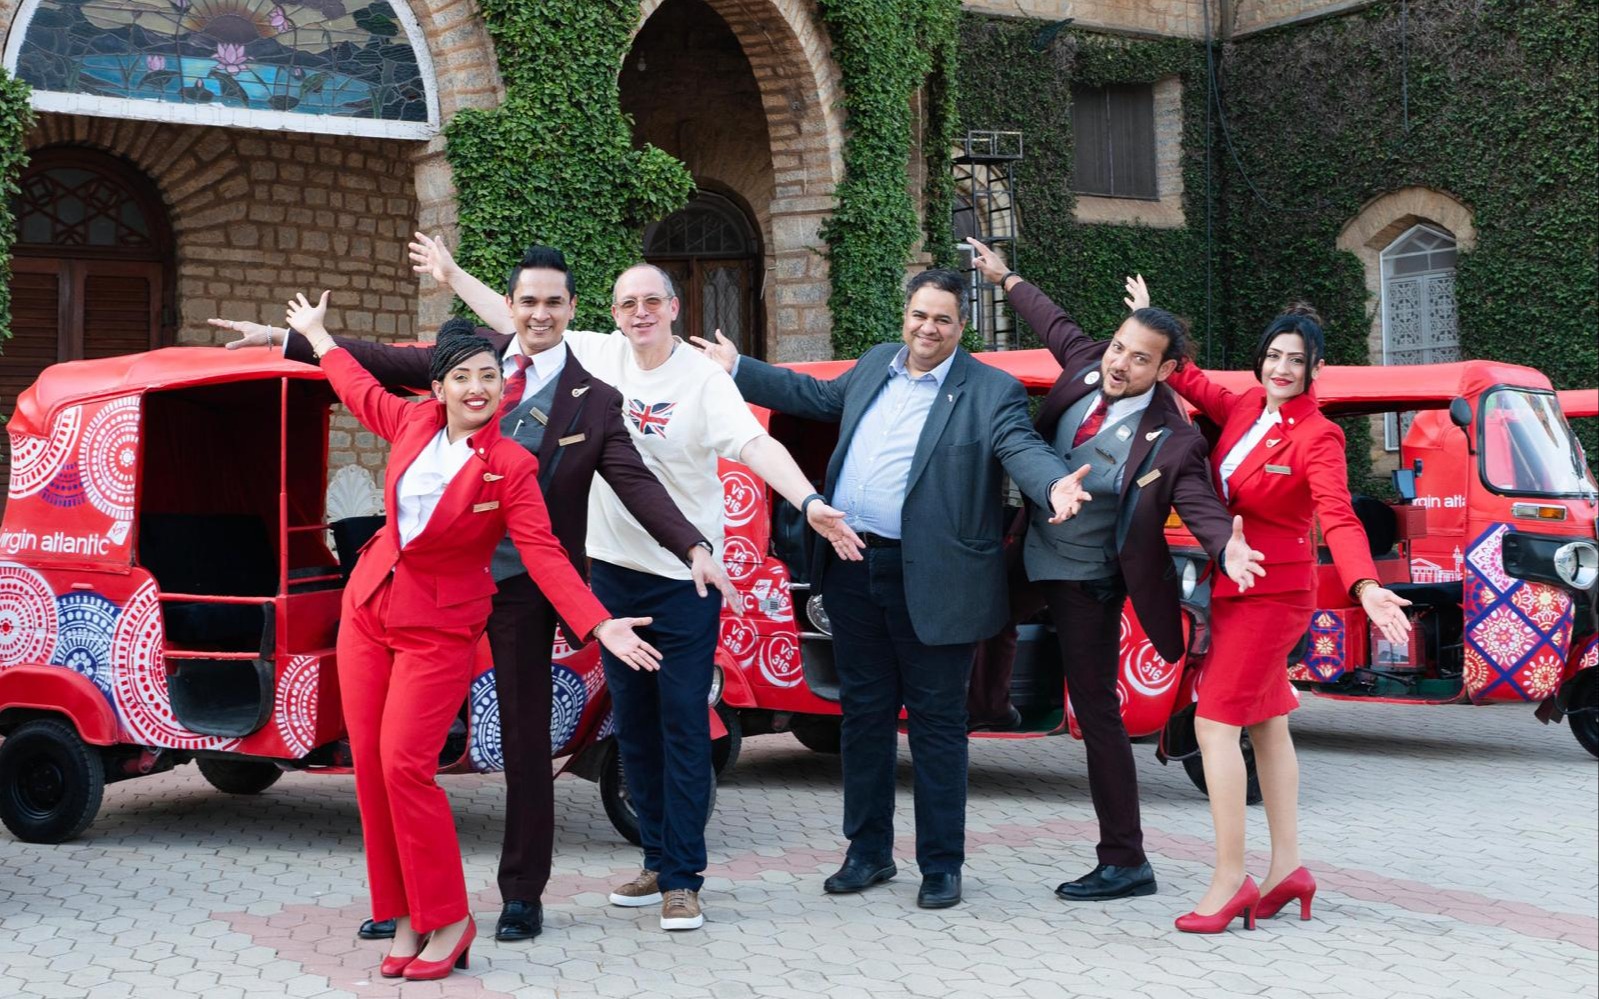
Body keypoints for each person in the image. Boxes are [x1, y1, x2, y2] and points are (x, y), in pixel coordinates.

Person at [212, 243, 723, 944]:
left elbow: (635, 483)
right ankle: (400, 897)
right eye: (528, 301)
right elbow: (382, 364)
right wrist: (289, 338)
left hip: (522, 588)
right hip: (424, 591)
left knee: (521, 744)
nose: (539, 313)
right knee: (392, 749)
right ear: (509, 306)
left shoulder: (595, 400)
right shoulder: (473, 360)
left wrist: (691, 544)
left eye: (553, 302)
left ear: (571, 311)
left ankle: (522, 892)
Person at [416, 241, 860, 931]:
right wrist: (450, 275)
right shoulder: (599, 355)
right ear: (614, 313)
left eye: (653, 301)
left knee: (685, 725)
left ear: (674, 308)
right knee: (635, 728)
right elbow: (513, 322)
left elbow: (757, 447)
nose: (640, 312)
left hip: (685, 579)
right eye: (628, 302)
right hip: (612, 580)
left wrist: (807, 501)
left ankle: (684, 878)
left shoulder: (703, 380)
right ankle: (656, 859)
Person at [278, 294, 660, 980]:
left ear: (503, 385)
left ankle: (449, 918)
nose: (477, 388)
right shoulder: (410, 421)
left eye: (489, 376)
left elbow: (542, 552)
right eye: (462, 377)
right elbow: (356, 385)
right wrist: (315, 334)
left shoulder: (510, 465)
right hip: (368, 610)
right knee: (370, 767)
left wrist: (596, 619)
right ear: (439, 387)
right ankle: (401, 914)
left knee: (405, 765)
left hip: (440, 628)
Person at [693, 268, 1093, 910]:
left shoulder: (992, 391)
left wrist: (1052, 486)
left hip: (936, 581)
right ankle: (868, 854)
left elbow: (1021, 448)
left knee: (937, 725)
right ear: (904, 316)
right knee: (865, 718)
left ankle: (941, 865)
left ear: (962, 327)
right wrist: (739, 367)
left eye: (942, 319)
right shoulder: (879, 363)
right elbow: (815, 397)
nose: (927, 329)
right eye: (919, 316)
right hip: (853, 567)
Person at [964, 238, 1266, 905]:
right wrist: (1005, 274)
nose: (1119, 363)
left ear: (1165, 370)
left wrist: (1227, 547)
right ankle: (988, 702)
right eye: (1117, 348)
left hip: (1087, 579)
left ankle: (1125, 859)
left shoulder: (1174, 436)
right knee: (967, 608)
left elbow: (1199, 504)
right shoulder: (1079, 367)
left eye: (1138, 357)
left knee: (1096, 712)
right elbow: (1056, 322)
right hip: (1029, 547)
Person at [1126, 276, 1412, 932]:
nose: (1281, 368)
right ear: (1261, 360)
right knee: (1266, 721)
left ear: (1315, 368)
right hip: (1232, 587)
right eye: (1273, 355)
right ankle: (1287, 869)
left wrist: (1365, 586)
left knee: (1212, 722)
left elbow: (1336, 518)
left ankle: (1231, 878)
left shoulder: (1319, 437)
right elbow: (1189, 379)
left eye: (1295, 360)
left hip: (1276, 594)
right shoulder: (1247, 405)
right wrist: (1148, 318)